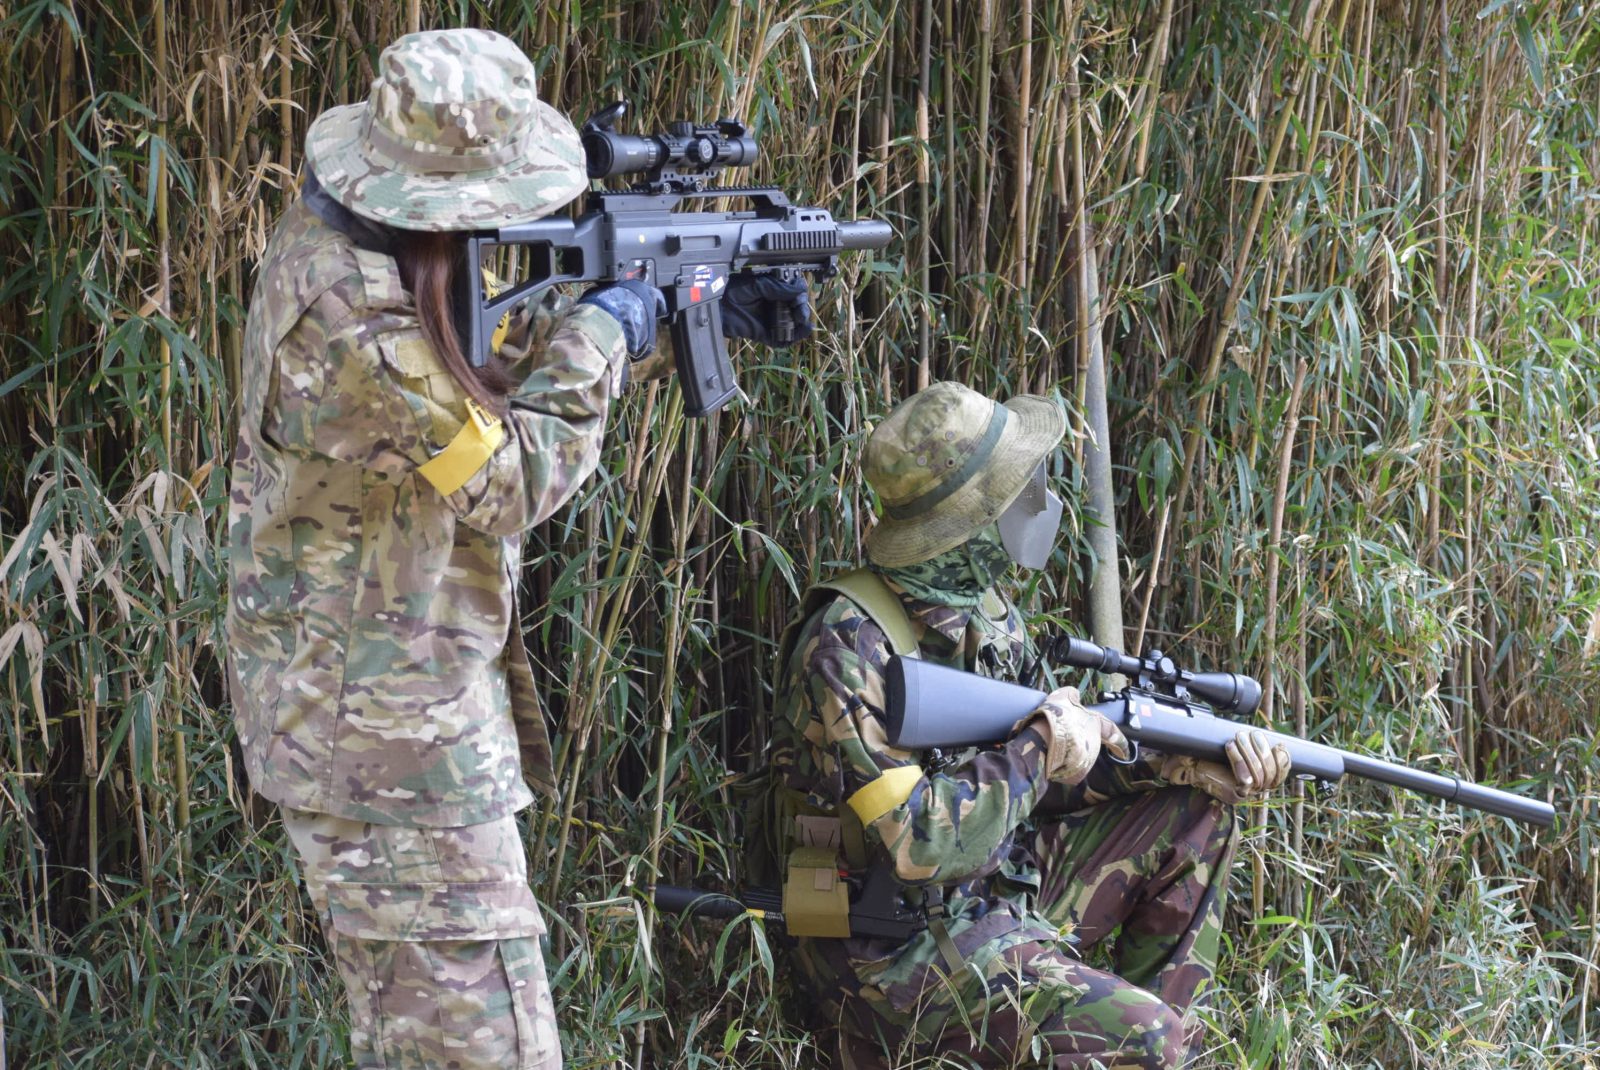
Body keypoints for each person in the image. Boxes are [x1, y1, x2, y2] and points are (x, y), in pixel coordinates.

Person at [225, 29, 805, 1070]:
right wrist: (610, 328)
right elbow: (510, 481)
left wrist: (676, 316)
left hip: (390, 730)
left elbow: (481, 377)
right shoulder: (351, 319)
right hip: (388, 756)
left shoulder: (365, 251)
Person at [762, 381, 1291, 1069]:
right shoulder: (847, 647)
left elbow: (1042, 786)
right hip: (882, 953)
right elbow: (918, 844)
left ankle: (1138, 1037)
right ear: (973, 520)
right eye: (1017, 487)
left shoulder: (988, 614)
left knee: (1196, 814)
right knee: (1147, 1039)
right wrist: (1040, 743)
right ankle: (1142, 1043)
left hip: (988, 892)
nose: (1037, 500)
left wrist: (1167, 765)